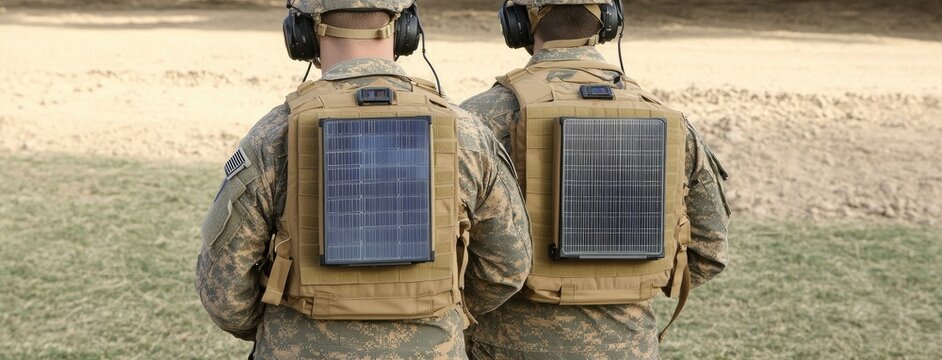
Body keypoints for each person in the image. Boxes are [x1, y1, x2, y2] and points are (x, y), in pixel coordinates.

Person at [195, 1, 532, 358]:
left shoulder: (271, 135)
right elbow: (507, 267)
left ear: (302, 35)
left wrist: (282, 329)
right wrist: (444, 313)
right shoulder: (468, 132)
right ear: (406, 32)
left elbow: (223, 288)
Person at [460, 1, 731, 358]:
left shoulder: (477, 118)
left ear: (518, 24)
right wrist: (627, 282)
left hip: (505, 346)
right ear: (609, 21)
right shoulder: (668, 121)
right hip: (627, 345)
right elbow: (709, 248)